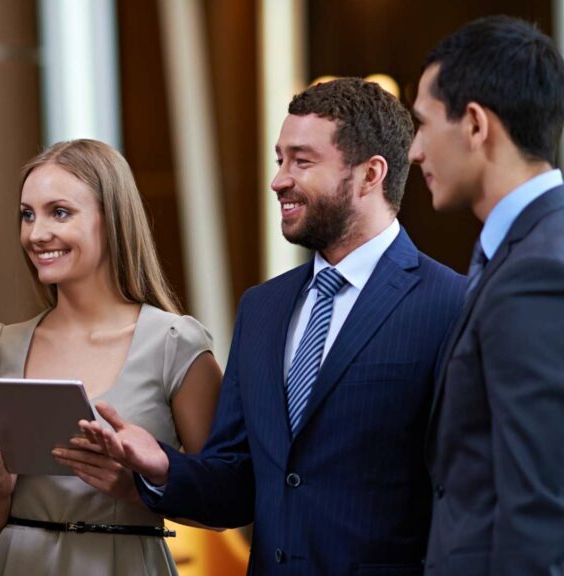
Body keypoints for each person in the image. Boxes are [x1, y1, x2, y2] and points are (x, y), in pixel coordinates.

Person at [81, 78, 467, 575]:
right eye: (279, 159)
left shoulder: (452, 304)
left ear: (370, 174)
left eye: (302, 161)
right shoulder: (262, 308)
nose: (279, 179)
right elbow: (238, 484)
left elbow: (470, 494)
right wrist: (161, 465)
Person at [0, 139, 223, 575]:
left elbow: (223, 503)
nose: (36, 233)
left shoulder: (174, 343)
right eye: (27, 214)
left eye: (59, 212)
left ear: (112, 220)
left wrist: (135, 488)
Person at [409, 16, 564, 575]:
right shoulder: (530, 252)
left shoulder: (537, 270)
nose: (414, 152)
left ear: (475, 124)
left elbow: (540, 506)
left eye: (423, 126)